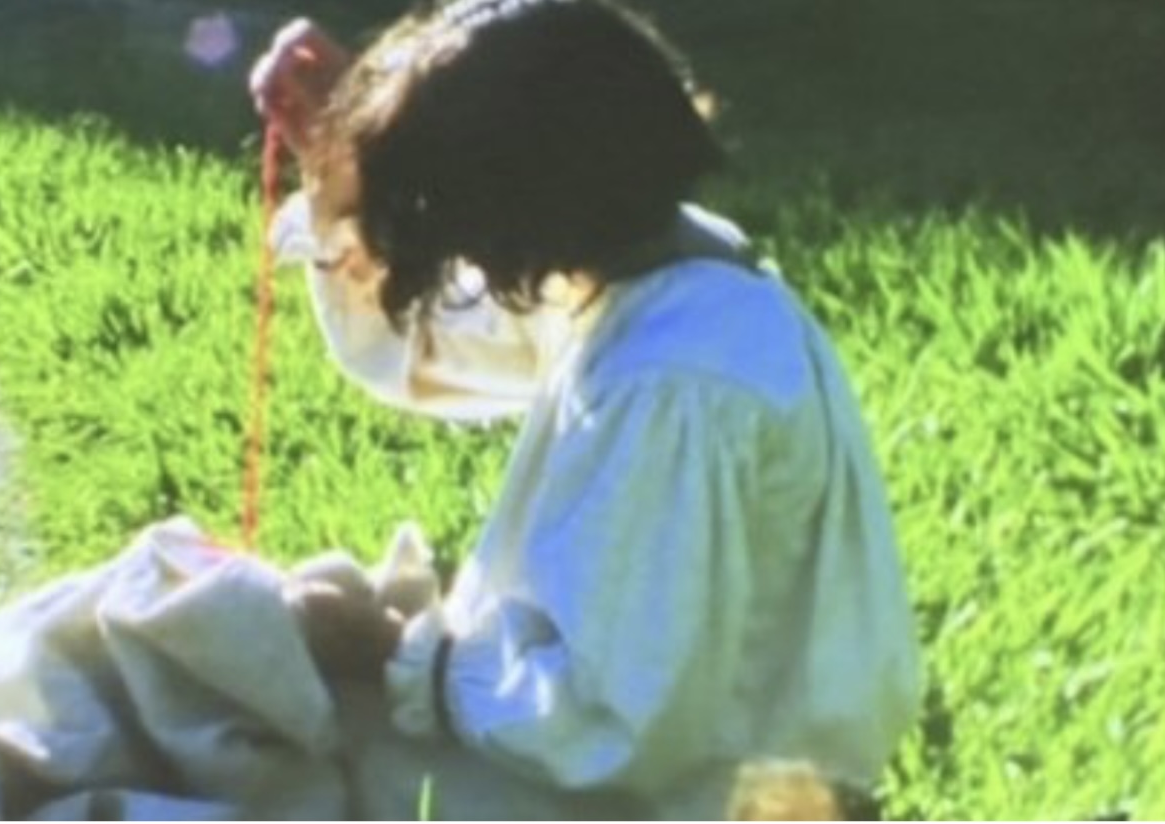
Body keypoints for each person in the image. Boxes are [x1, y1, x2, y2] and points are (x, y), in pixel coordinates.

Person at [250, 0, 921, 818]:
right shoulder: (656, 263)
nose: (462, 256)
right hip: (678, 770)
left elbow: (618, 723)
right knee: (236, 663)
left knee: (251, 728)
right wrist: (348, 150)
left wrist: (393, 652)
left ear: (518, 211)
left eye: (458, 217)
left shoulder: (673, 385)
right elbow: (434, 340)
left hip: (695, 799)